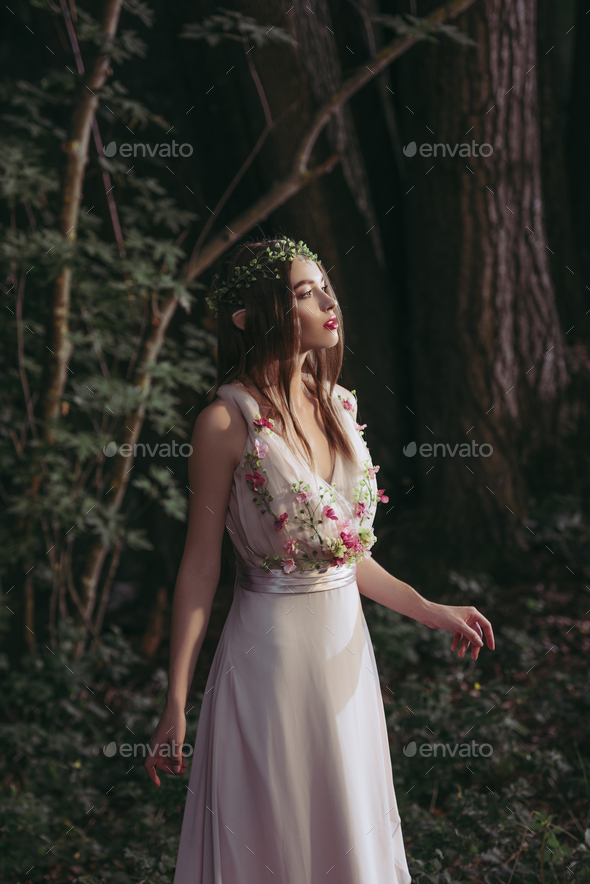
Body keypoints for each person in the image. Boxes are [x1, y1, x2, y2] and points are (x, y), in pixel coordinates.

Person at [145, 236, 495, 883]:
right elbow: (200, 567)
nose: (329, 301)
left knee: (347, 834)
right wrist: (175, 695)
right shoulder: (226, 424)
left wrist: (431, 610)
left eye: (324, 286)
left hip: (347, 664)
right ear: (255, 314)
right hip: (267, 666)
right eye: (305, 292)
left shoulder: (336, 404)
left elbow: (345, 555)